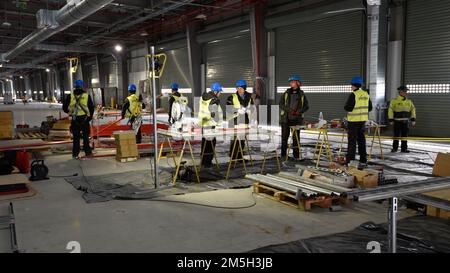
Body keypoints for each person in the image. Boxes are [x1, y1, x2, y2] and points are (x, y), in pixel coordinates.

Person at [279, 75, 309, 162]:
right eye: (290, 82)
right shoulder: (286, 93)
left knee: (296, 139)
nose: (291, 83)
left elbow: (306, 106)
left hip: (296, 120)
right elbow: (281, 104)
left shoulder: (302, 94)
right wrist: (289, 111)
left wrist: (299, 111)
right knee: (284, 138)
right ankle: (283, 155)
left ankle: (296, 156)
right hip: (286, 120)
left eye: (293, 81)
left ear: (298, 83)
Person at [62, 79, 94, 159]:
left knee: (76, 138)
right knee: (86, 137)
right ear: (82, 86)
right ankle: (88, 153)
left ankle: (75, 154)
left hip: (75, 120)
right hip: (84, 119)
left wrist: (70, 113)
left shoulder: (70, 96)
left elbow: (64, 107)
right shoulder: (87, 96)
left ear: (75, 86)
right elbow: (91, 108)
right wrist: (89, 118)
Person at [344, 76, 373, 165]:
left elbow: (348, 108)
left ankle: (350, 161)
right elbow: (370, 108)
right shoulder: (365, 94)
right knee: (361, 140)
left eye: (351, 85)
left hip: (353, 122)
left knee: (352, 142)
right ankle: (363, 159)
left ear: (354, 85)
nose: (351, 87)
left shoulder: (353, 94)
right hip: (362, 121)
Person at [226, 79, 254, 159]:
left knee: (242, 141)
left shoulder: (249, 97)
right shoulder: (231, 97)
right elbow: (228, 109)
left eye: (241, 88)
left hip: (244, 121)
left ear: (245, 88)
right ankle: (233, 157)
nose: (239, 90)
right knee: (235, 141)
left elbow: (252, 108)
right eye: (238, 88)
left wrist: (248, 110)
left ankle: (240, 157)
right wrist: (237, 110)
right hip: (234, 121)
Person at [198, 82, 223, 168]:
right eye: (220, 92)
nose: (220, 94)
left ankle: (203, 161)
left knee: (204, 143)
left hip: (204, 123)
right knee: (211, 143)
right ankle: (208, 163)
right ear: (216, 91)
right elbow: (213, 114)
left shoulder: (204, 98)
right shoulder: (213, 100)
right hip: (210, 124)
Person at [388, 85, 416, 153]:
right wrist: (390, 119)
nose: (406, 93)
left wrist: (413, 119)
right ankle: (395, 148)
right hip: (397, 121)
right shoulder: (394, 101)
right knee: (396, 135)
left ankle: (404, 149)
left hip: (405, 122)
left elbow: (413, 109)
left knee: (405, 136)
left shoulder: (409, 101)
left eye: (406, 91)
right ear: (400, 92)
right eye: (405, 91)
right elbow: (390, 110)